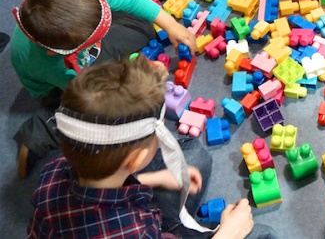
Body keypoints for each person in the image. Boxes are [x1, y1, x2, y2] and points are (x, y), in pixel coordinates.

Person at [28, 56, 277, 238]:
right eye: (157, 134)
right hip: (145, 228)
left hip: (134, 208)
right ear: (135, 159)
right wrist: (228, 235)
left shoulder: (53, 169)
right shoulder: (131, 232)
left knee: (193, 153)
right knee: (262, 234)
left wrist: (151, 179)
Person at [11, 0, 196, 179]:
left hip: (76, 53)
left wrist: (170, 25)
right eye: (94, 37)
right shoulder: (56, 66)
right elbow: (99, 97)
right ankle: (41, 129)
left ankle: (102, 37)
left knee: (143, 27)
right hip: (62, 86)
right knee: (102, 118)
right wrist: (145, 82)